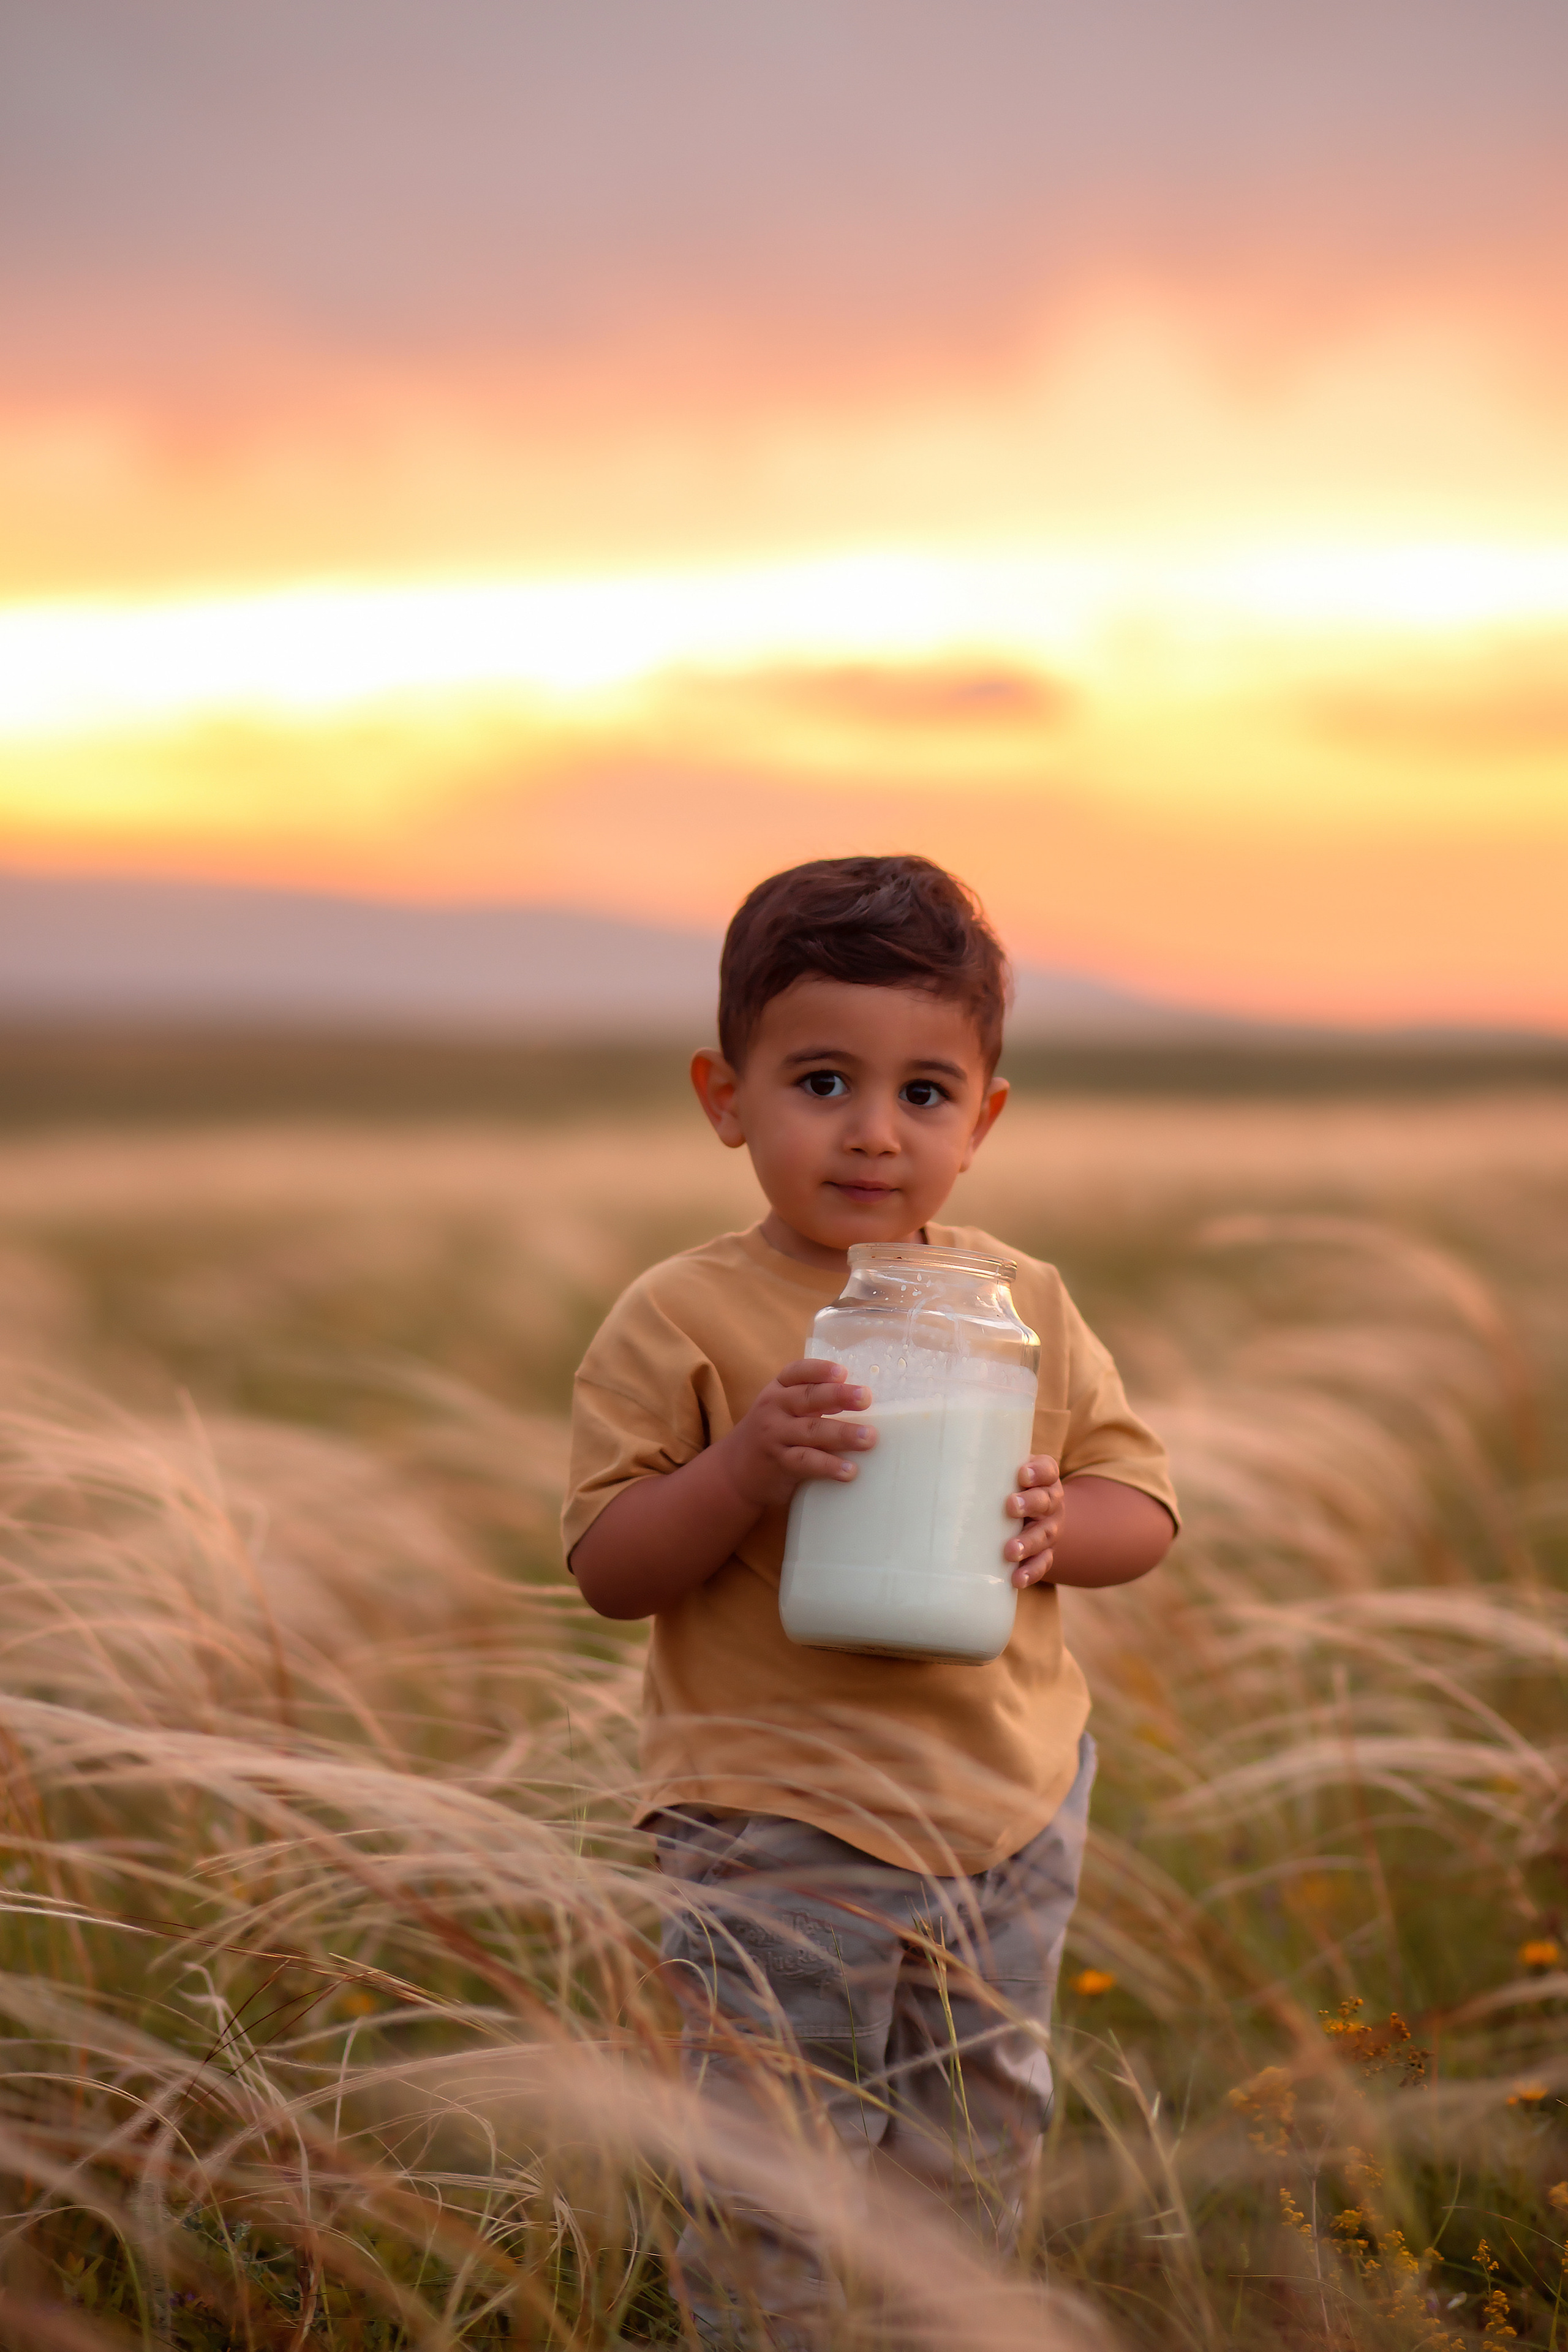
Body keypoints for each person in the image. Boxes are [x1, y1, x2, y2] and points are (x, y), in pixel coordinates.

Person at [564, 855, 1177, 2346]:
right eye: (822, 1081)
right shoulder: (683, 1313)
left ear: (984, 1118)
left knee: (972, 2141)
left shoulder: (1016, 1303)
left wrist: (1058, 1525)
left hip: (1002, 1806)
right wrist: (741, 1468)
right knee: (773, 2155)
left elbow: (1140, 1509)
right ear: (725, 1098)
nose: (872, 1131)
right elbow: (608, 1568)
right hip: (776, 1811)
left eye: (924, 1092)